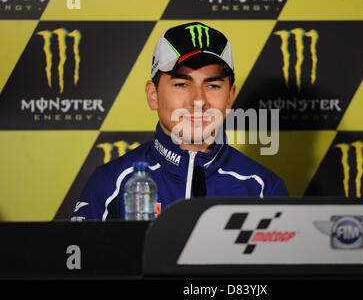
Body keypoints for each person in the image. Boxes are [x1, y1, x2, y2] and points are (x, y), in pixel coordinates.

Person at [71, 22, 289, 221]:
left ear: (230, 97)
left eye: (213, 85)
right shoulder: (112, 182)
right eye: (182, 84)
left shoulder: (263, 188)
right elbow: (78, 261)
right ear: (153, 95)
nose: (198, 100)